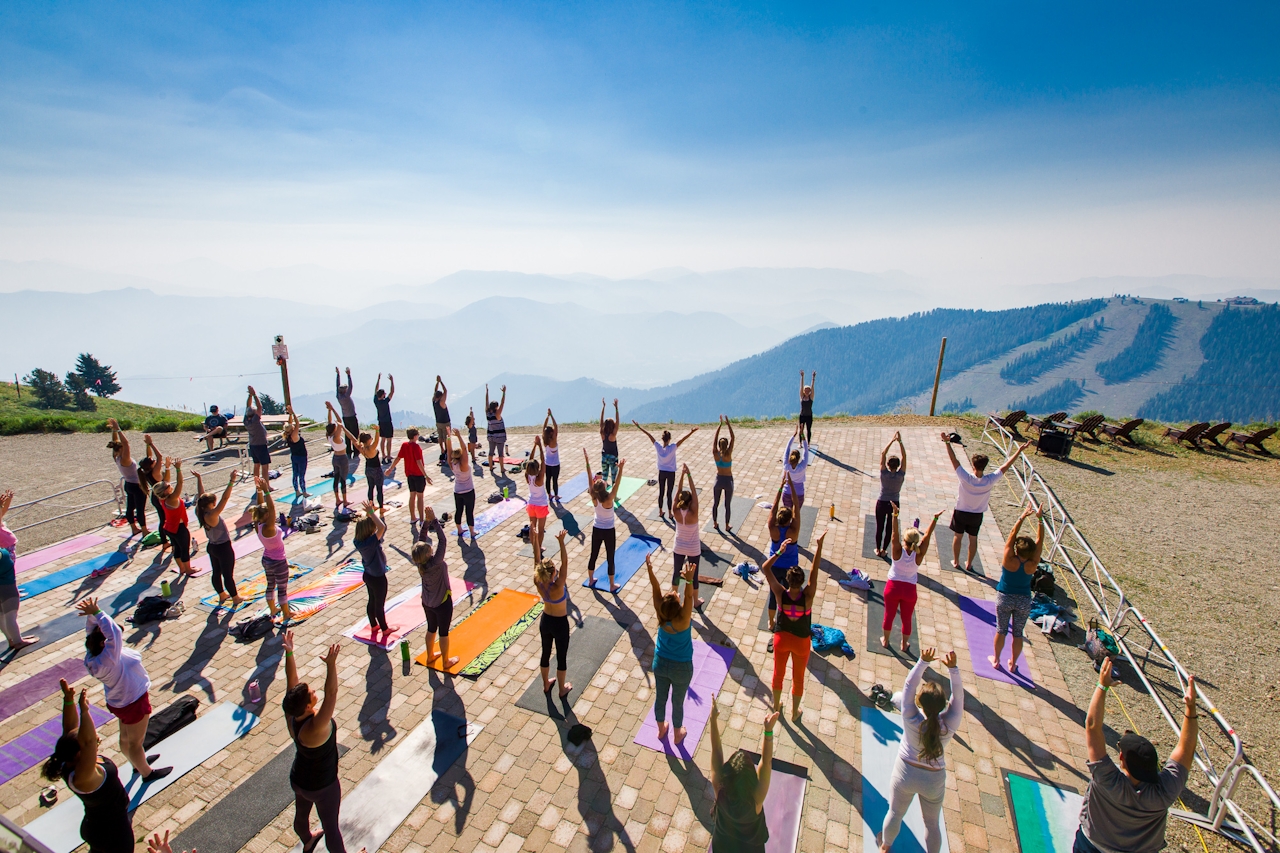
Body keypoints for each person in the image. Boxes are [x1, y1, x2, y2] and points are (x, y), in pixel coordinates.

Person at [1078, 659, 1197, 853]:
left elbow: (1092, 725)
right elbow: (1187, 748)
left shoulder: (1107, 779)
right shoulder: (1165, 792)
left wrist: (1102, 685)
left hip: (1092, 846)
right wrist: (1190, 710)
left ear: (1122, 759)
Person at [281, 631, 365, 853]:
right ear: (308, 707)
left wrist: (290, 654)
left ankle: (307, 841)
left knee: (301, 815)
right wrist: (331, 665)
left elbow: (292, 684)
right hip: (323, 786)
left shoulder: (292, 715)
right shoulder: (316, 725)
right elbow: (331, 693)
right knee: (331, 829)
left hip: (299, 779)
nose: (314, 690)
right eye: (311, 693)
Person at [74, 597, 171, 781]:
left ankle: (137, 762)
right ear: (104, 643)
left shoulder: (94, 655)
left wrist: (92, 616)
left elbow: (92, 633)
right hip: (133, 701)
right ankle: (146, 773)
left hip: (119, 701)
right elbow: (114, 634)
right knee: (135, 742)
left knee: (126, 738)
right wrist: (98, 613)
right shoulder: (109, 659)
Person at [878, 648, 965, 853]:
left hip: (905, 774)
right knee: (932, 824)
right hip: (933, 781)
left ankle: (885, 848)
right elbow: (959, 698)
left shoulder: (910, 716)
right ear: (943, 705)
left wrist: (922, 662)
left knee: (895, 813)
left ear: (920, 703)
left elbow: (908, 686)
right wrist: (953, 669)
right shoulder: (949, 724)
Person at [44, 678, 139, 853]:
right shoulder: (83, 777)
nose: (93, 736)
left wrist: (69, 700)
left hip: (97, 826)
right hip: (111, 834)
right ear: (79, 753)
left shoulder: (69, 760)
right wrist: (85, 710)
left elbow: (70, 728)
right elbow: (88, 742)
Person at [941, 432, 1031, 572]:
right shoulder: (989, 480)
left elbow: (954, 460)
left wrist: (947, 443)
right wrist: (1019, 451)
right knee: (973, 539)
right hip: (977, 514)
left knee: (957, 537)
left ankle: (956, 561)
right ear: (985, 466)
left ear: (973, 465)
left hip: (961, 511)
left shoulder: (965, 478)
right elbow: (1005, 466)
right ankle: (969, 563)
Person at [761, 532, 826, 721]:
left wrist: (780, 552)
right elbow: (815, 569)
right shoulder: (808, 596)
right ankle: (795, 713)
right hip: (801, 642)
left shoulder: (780, 594)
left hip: (781, 639)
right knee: (798, 678)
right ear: (802, 581)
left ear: (787, 581)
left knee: (778, 674)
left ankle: (776, 706)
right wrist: (819, 546)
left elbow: (766, 568)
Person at [710, 701, 778, 853]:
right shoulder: (756, 798)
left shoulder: (719, 789)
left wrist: (713, 720)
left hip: (722, 847)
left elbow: (716, 750)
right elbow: (766, 762)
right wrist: (768, 732)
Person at [991, 502, 1045, 674]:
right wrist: (1040, 520)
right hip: (1023, 600)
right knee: (1018, 633)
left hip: (1005, 597)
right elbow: (1040, 541)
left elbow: (1012, 535)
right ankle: (1013, 664)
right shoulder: (1033, 564)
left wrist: (1022, 516)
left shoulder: (1009, 559)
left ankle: (997, 659)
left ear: (1017, 549)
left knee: (1001, 629)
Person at [647, 556, 696, 744]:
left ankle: (661, 730)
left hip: (660, 663)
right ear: (678, 606)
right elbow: (689, 597)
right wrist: (689, 580)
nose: (674, 592)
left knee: (660, 698)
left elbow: (655, 589)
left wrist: (651, 571)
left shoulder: (661, 613)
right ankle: (677, 734)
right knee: (678, 702)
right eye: (675, 594)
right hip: (682, 667)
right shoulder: (683, 620)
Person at [883, 509, 942, 652]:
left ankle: (885, 641)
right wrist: (934, 519)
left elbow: (893, 534)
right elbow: (927, 536)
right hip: (909, 590)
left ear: (904, 541)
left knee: (889, 615)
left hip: (893, 588)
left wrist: (895, 515)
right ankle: (904, 644)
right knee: (907, 618)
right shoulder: (918, 555)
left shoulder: (897, 551)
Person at [411, 509, 458, 668]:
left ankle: (430, 656)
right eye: (429, 548)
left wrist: (426, 522)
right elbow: (443, 540)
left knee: (431, 628)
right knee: (443, 632)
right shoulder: (436, 561)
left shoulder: (419, 562)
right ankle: (446, 661)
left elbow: (420, 540)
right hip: (442, 603)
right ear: (427, 554)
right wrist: (435, 521)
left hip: (427, 603)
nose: (431, 547)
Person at [193, 470, 244, 608]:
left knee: (216, 571)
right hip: (223, 548)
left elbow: (201, 496)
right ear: (211, 504)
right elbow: (225, 499)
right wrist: (231, 481)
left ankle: (222, 594)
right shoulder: (212, 514)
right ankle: (235, 598)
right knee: (227, 574)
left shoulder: (201, 510)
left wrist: (199, 478)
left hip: (212, 547)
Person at [764, 472, 802, 651]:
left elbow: (773, 508)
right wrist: (792, 486)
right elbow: (796, 506)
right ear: (789, 519)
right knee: (790, 595)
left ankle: (771, 622)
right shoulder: (793, 530)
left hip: (774, 567)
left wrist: (781, 487)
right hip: (789, 569)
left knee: (773, 595)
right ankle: (789, 621)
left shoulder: (773, 528)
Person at [633, 420, 697, 521]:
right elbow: (682, 439)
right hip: (671, 473)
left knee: (661, 492)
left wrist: (639, 427)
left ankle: (660, 511)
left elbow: (649, 435)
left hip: (661, 472)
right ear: (670, 439)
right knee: (669, 493)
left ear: (662, 439)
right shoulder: (672, 448)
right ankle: (670, 513)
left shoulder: (658, 447)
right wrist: (691, 432)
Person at [534, 530, 572, 697]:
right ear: (553, 572)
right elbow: (565, 561)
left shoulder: (538, 581)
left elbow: (536, 561)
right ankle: (562, 689)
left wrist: (535, 540)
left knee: (545, 652)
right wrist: (561, 542)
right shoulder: (558, 586)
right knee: (561, 657)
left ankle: (545, 684)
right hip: (560, 624)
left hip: (545, 621)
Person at [583, 449, 626, 593]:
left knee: (593, 554)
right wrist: (620, 469)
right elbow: (618, 483)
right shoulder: (609, 498)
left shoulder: (594, 497)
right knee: (610, 557)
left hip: (596, 529)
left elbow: (590, 478)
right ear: (604, 487)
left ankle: (590, 580)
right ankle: (612, 584)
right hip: (608, 531)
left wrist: (587, 462)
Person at [253, 479, 293, 622]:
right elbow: (271, 508)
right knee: (282, 588)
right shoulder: (269, 527)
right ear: (266, 516)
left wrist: (259, 490)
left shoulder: (258, 524)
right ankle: (286, 613)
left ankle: (273, 609)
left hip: (267, 560)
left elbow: (261, 507)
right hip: (278, 561)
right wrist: (267, 491)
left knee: (271, 585)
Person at [0, 495, 37, 651]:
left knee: (1, 615)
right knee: (10, 614)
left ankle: (11, 640)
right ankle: (17, 641)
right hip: (7, 586)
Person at [333, 412, 386, 516]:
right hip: (376, 470)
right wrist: (377, 430)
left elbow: (352, 438)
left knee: (371, 487)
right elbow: (377, 440)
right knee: (379, 489)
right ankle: (381, 507)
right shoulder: (371, 448)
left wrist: (343, 428)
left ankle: (371, 505)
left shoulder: (361, 448)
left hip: (368, 470)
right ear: (368, 440)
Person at [352, 501, 390, 639]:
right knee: (379, 604)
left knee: (372, 601)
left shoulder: (358, 541)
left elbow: (378, 528)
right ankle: (385, 629)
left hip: (368, 575)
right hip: (378, 578)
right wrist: (372, 513)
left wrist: (368, 514)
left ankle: (374, 625)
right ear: (369, 531)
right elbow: (382, 526)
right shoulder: (371, 542)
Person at [154, 457, 196, 575]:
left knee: (177, 548)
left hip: (169, 528)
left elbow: (165, 482)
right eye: (168, 486)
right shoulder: (172, 498)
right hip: (179, 528)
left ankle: (182, 568)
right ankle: (188, 569)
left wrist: (167, 467)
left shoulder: (161, 497)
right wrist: (178, 469)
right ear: (166, 490)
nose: (169, 485)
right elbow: (180, 483)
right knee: (184, 549)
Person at [671, 464, 705, 608]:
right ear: (690, 501)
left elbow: (678, 491)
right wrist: (689, 475)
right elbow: (694, 493)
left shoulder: (675, 511)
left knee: (676, 573)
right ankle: (695, 601)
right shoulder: (693, 513)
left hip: (679, 547)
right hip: (692, 548)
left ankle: (674, 597)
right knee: (693, 576)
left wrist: (682, 476)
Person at [107, 419, 147, 535]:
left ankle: (134, 528)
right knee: (140, 509)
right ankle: (144, 530)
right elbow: (126, 443)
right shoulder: (125, 459)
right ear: (120, 449)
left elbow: (115, 443)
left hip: (128, 484)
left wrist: (114, 430)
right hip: (137, 485)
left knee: (130, 507)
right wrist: (118, 429)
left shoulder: (116, 457)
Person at [388, 428, 432, 524]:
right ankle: (421, 520)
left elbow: (398, 458)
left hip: (409, 474)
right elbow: (419, 462)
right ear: (415, 436)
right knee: (420, 497)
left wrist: (390, 468)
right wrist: (426, 476)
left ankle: (413, 517)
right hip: (418, 475)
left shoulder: (404, 445)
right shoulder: (416, 447)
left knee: (412, 496)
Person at [875, 432, 907, 557]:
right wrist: (900, 442)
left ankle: (877, 549)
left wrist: (892, 440)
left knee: (879, 527)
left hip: (881, 502)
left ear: (888, 465)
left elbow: (883, 454)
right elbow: (904, 456)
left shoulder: (884, 473)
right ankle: (884, 550)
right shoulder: (900, 476)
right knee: (890, 527)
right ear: (898, 465)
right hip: (894, 504)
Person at [446, 428, 477, 540]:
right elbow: (464, 448)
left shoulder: (452, 465)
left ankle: (459, 529)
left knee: (458, 511)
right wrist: (459, 436)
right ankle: (472, 532)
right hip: (468, 491)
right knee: (469, 511)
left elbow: (448, 450)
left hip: (457, 491)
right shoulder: (464, 465)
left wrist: (448, 436)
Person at [139, 436, 166, 550]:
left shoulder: (146, 472)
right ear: (151, 465)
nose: (156, 461)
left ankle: (165, 540)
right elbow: (159, 457)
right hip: (160, 498)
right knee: (164, 520)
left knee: (163, 519)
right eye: (153, 462)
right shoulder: (155, 471)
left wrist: (148, 445)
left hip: (155, 498)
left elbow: (150, 458)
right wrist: (152, 443)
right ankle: (165, 541)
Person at [711, 415, 736, 533]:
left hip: (718, 480)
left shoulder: (715, 453)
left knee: (715, 503)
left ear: (719, 446)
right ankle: (727, 525)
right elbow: (733, 437)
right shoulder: (729, 453)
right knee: (727, 505)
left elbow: (714, 440)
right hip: (728, 480)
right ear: (726, 445)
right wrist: (728, 423)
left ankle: (715, 523)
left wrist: (719, 425)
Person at [526, 436, 549, 558]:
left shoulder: (527, 476)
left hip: (531, 505)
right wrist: (540, 446)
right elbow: (543, 461)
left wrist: (534, 446)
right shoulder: (539, 478)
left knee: (532, 527)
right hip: (540, 505)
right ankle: (538, 548)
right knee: (540, 529)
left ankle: (534, 547)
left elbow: (530, 461)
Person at [324, 403, 350, 510]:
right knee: (343, 479)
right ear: (334, 429)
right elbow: (340, 421)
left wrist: (329, 411)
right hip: (342, 459)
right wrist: (333, 408)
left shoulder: (329, 435)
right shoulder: (336, 437)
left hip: (335, 458)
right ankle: (344, 500)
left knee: (336, 478)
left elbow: (329, 422)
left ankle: (337, 499)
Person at [244, 386, 272, 485]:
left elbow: (248, 406)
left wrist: (250, 395)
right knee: (265, 467)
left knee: (256, 465)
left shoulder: (246, 420)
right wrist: (255, 395)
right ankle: (266, 486)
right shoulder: (255, 421)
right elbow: (260, 407)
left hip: (253, 445)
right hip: (261, 445)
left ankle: (257, 485)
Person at [284, 406, 310, 499]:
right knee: (301, 475)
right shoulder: (294, 435)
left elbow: (290, 423)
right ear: (292, 429)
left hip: (294, 456)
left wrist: (290, 414)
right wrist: (293, 413)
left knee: (295, 474)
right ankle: (304, 492)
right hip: (301, 457)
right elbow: (297, 423)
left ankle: (297, 491)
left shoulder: (288, 435)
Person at [782, 425, 809, 509]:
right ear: (799, 458)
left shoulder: (786, 465)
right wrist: (802, 435)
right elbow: (806, 450)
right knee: (795, 515)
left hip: (787, 493)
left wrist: (794, 435)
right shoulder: (802, 466)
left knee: (786, 514)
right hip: (799, 493)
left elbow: (787, 448)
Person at [335, 366, 359, 459]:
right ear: (345, 391)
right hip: (352, 416)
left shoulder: (339, 397)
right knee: (354, 433)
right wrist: (349, 375)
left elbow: (337, 386)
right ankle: (356, 450)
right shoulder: (346, 396)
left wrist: (338, 375)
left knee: (347, 434)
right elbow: (351, 386)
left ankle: (348, 451)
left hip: (345, 417)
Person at [485, 384, 509, 477]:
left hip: (491, 436)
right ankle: (502, 468)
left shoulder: (488, 414)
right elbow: (503, 403)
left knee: (491, 452)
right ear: (496, 407)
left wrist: (486, 393)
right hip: (499, 437)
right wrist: (504, 393)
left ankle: (491, 466)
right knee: (500, 453)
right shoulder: (497, 414)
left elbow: (486, 403)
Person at [373, 373, 395, 463]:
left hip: (381, 422)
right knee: (389, 439)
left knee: (383, 439)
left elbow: (375, 390)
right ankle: (389, 455)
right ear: (382, 395)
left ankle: (383, 455)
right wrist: (392, 381)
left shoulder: (376, 401)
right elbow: (392, 392)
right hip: (388, 422)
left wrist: (378, 380)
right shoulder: (385, 402)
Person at [599, 398, 620, 486]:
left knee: (604, 477)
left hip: (604, 457)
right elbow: (618, 421)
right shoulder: (613, 434)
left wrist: (603, 407)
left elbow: (601, 421)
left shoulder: (602, 433)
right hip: (613, 457)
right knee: (614, 477)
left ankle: (603, 494)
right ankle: (614, 496)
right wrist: (616, 408)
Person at [432, 376, 451, 463]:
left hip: (438, 422)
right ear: (440, 397)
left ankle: (442, 450)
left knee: (440, 437)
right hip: (445, 422)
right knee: (446, 437)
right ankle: (447, 451)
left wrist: (437, 383)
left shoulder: (434, 401)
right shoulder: (441, 402)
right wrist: (441, 382)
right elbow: (446, 391)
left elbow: (435, 392)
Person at [543, 409, 561, 499]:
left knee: (548, 479)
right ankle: (556, 495)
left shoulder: (545, 440)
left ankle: (549, 495)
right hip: (555, 464)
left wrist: (547, 417)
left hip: (547, 464)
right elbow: (556, 426)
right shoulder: (553, 440)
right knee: (555, 480)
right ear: (551, 433)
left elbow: (544, 428)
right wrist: (551, 415)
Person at [799, 369, 816, 443]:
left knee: (809, 430)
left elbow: (812, 387)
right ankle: (800, 443)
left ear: (809, 391)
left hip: (809, 416)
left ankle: (808, 443)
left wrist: (813, 378)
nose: (806, 391)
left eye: (808, 390)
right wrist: (802, 377)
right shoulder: (802, 397)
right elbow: (801, 386)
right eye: (805, 390)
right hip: (802, 415)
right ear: (803, 391)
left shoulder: (811, 397)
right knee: (801, 429)